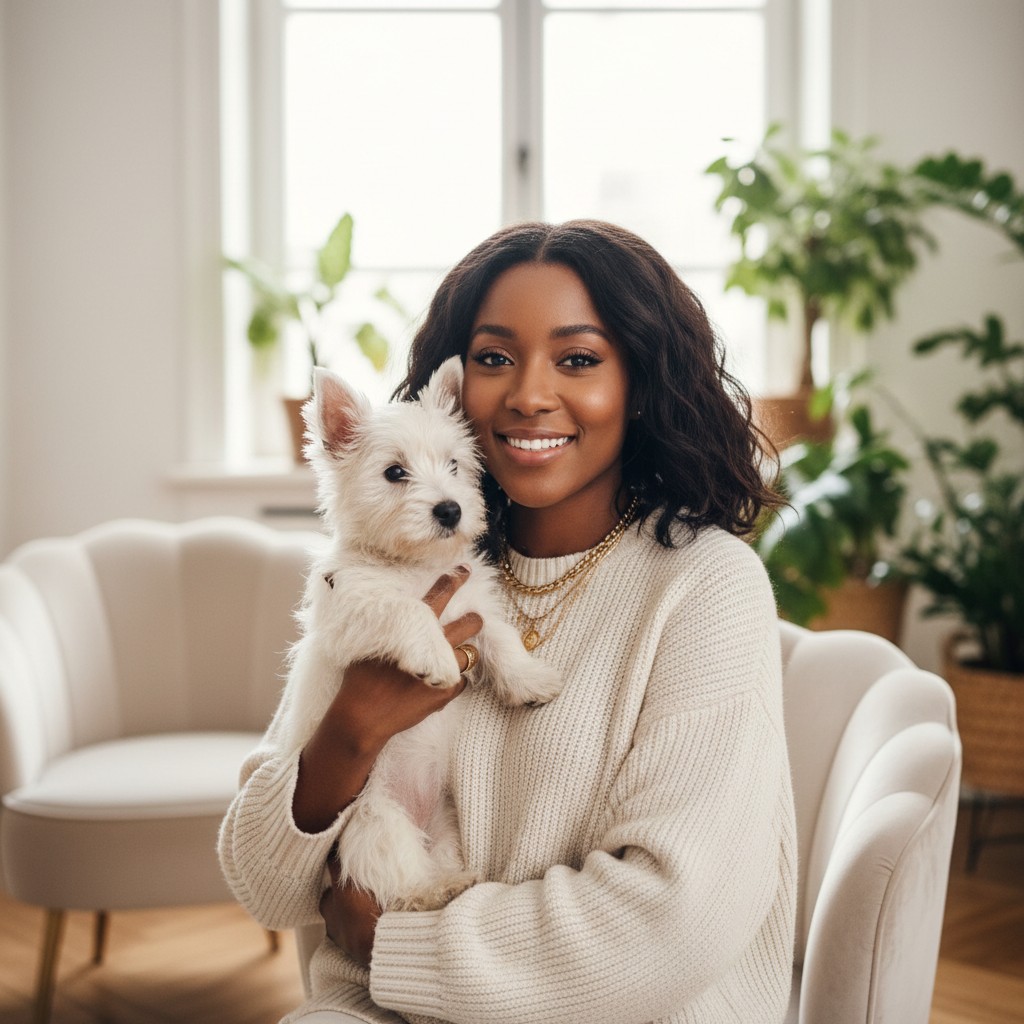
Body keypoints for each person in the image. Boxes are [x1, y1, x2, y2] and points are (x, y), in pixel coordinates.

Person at [218, 219, 796, 1024]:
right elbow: (263, 883)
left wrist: (398, 947)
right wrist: (349, 732)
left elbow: (671, 927)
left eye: (579, 358)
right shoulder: (396, 577)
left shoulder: (705, 587)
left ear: (641, 384)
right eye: (494, 358)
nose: (528, 394)